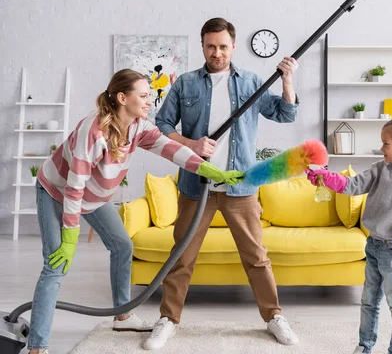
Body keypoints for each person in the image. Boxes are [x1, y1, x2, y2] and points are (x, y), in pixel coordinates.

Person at [27, 69, 243, 354]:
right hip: (58, 192)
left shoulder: (139, 125)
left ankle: (122, 316)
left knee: (122, 246)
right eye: (142, 95)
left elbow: (168, 147)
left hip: (95, 197)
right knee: (55, 265)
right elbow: (74, 187)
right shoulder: (92, 133)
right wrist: (70, 237)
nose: (148, 101)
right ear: (121, 97)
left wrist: (204, 167)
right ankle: (37, 347)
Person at [143, 17, 300, 350]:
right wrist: (191, 144)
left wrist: (287, 80)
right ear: (202, 46)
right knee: (181, 258)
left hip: (239, 188)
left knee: (256, 258)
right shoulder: (185, 84)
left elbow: (285, 114)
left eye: (223, 46)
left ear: (233, 46)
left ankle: (273, 317)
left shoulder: (252, 83)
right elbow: (161, 126)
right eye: (211, 46)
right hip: (195, 186)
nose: (217, 53)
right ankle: (168, 320)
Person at [306, 115, 392, 354]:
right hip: (373, 245)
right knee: (368, 301)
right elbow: (353, 185)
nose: (381, 148)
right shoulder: (380, 169)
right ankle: (365, 346)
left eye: (386, 143)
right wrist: (327, 177)